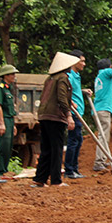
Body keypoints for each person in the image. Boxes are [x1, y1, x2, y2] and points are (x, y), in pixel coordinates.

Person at [32, 52, 80, 187]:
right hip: (55, 117)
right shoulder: (63, 78)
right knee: (57, 148)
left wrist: (70, 102)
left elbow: (52, 96)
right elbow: (61, 97)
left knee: (46, 148)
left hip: (44, 115)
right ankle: (56, 180)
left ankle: (40, 178)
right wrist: (69, 115)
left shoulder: (50, 79)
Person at [64, 49, 92, 180]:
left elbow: (73, 90)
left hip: (79, 111)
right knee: (74, 141)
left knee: (78, 140)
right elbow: (64, 92)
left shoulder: (76, 75)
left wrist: (82, 90)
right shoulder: (68, 76)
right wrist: (70, 104)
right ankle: (69, 170)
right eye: (82, 61)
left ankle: (74, 168)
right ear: (75, 61)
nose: (84, 64)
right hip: (74, 113)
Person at [0, 64, 19, 179]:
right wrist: (2, 123)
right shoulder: (0, 88)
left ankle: (4, 170)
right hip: (3, 120)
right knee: (2, 146)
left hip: (9, 120)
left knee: (8, 146)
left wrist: (13, 125)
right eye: (12, 74)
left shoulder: (9, 88)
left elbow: (11, 108)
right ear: (5, 75)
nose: (14, 76)